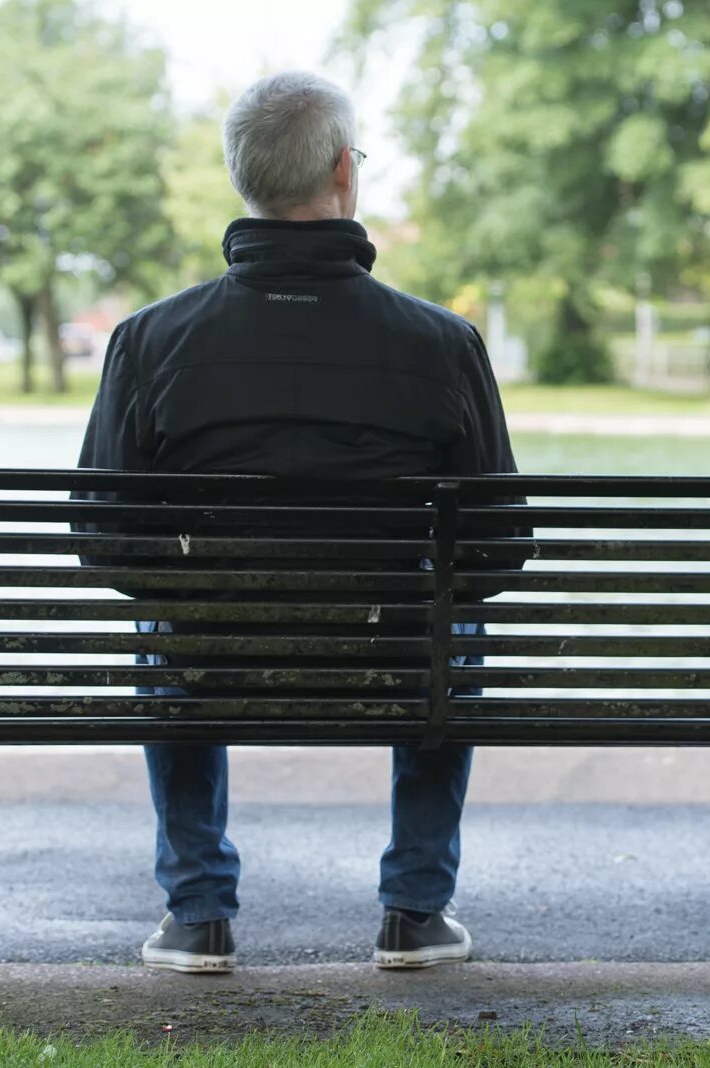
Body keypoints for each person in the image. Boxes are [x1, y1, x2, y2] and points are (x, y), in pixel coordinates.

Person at [75, 72, 522, 975]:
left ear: (245, 180)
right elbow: (500, 543)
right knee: (455, 621)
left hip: (213, 659)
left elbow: (104, 534)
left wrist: (200, 589)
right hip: (396, 657)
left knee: (162, 624)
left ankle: (198, 914)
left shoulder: (150, 341)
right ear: (344, 176)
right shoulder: (443, 344)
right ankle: (415, 909)